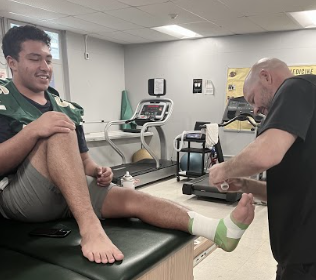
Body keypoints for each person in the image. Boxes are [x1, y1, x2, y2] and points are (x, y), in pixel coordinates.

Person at [0, 25, 255, 264]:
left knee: (135, 198)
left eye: (47, 58)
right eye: (34, 59)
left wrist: (99, 170)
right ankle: (91, 228)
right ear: (12, 62)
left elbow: (84, 162)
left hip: (69, 193)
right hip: (23, 198)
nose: (45, 66)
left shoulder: (64, 107)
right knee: (56, 128)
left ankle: (218, 230)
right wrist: (33, 130)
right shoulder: (5, 102)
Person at [209, 57, 316, 279]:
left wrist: (223, 169)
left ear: (266, 76)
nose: (254, 110)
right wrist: (246, 184)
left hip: (314, 256)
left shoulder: (297, 86)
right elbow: (298, 188)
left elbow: (265, 154)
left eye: (253, 98)